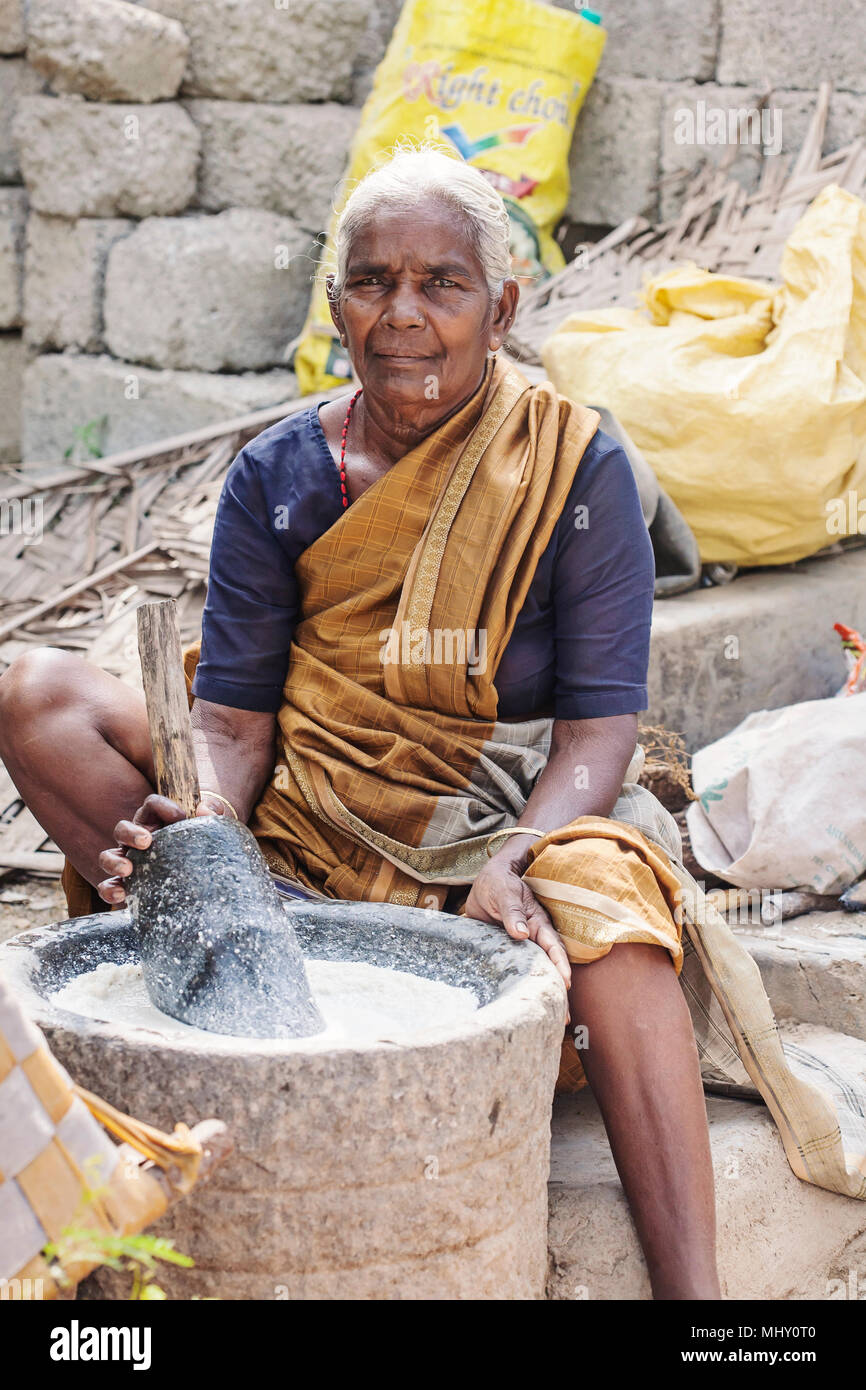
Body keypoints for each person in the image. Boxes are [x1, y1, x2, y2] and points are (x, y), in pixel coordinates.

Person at [0, 145, 724, 1300]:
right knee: (34, 695)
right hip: (310, 811)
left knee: (607, 897)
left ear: (501, 309)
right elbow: (231, 718)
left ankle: (702, 1307)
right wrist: (210, 829)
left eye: (441, 284)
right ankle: (250, 972)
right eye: (371, 282)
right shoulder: (277, 475)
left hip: (508, 806)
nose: (402, 316)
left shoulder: (572, 465)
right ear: (334, 304)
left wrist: (518, 852)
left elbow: (598, 734)